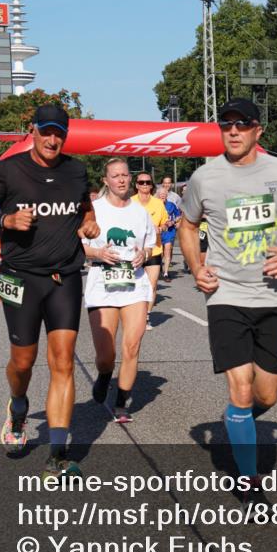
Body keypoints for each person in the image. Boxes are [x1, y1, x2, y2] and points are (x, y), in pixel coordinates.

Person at [179, 98, 277, 495]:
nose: (234, 131)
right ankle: (249, 478)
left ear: (259, 131)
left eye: (243, 125)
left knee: (267, 396)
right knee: (240, 387)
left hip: (272, 297)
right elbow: (188, 227)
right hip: (225, 294)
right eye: (227, 125)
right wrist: (196, 268)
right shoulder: (206, 177)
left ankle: (237, 420)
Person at [0, 104, 100, 479]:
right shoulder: (11, 169)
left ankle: (58, 452)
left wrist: (90, 224)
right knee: (23, 362)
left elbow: (85, 209)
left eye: (59, 133)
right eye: (46, 131)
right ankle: (18, 407)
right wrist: (4, 220)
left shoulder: (75, 170)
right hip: (21, 277)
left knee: (63, 360)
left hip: (66, 277)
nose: (52, 139)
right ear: (33, 131)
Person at [83, 159, 156, 423]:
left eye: (126, 175)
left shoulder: (140, 212)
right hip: (102, 285)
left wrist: (144, 255)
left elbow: (150, 245)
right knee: (106, 356)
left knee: (132, 346)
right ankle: (104, 375)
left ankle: (122, 403)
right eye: (116, 176)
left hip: (134, 285)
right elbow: (79, 245)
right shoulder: (93, 210)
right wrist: (97, 252)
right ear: (106, 180)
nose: (122, 180)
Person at [131, 172, 169, 330]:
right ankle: (133, 314)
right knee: (134, 285)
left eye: (148, 182)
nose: (145, 185)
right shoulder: (129, 202)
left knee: (151, 285)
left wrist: (161, 228)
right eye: (141, 182)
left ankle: (146, 317)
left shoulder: (158, 203)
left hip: (154, 249)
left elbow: (166, 223)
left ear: (152, 185)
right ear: (136, 185)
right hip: (133, 251)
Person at [159, 187, 181, 283]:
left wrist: (173, 221)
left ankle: (166, 273)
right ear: (158, 195)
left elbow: (178, 215)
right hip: (158, 232)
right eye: (161, 194)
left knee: (167, 250)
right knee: (160, 253)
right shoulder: (155, 205)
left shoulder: (171, 205)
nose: (163, 195)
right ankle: (159, 267)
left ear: (167, 195)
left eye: (164, 194)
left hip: (169, 231)